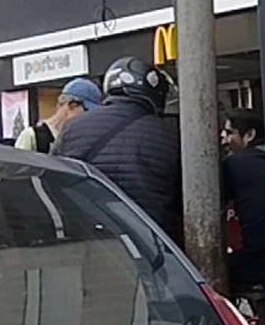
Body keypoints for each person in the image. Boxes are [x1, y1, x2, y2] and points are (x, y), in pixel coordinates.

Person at [55, 56, 182, 242]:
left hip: (92, 238)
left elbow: (56, 183)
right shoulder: (170, 135)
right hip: (152, 241)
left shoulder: (72, 129)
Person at [221, 109, 265, 325]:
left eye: (229, 132)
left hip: (260, 263)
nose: (224, 139)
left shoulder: (235, 164)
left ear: (250, 135)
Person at [13, 77, 101, 154]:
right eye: (87, 111)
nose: (90, 118)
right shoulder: (32, 136)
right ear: (72, 106)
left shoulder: (82, 139)